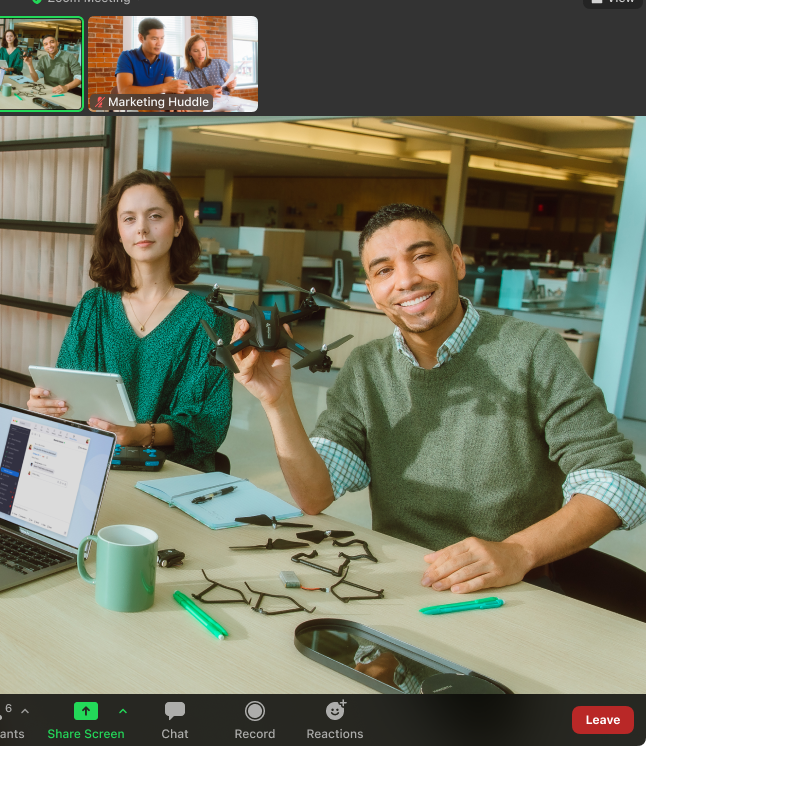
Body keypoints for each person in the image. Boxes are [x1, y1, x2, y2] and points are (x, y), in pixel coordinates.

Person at [231, 203, 650, 594]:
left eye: (422, 256)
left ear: (457, 260)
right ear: (373, 291)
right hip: (404, 580)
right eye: (384, 270)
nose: (407, 279)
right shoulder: (366, 368)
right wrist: (277, 400)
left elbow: (615, 480)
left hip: (512, 585)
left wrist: (519, 551)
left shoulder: (533, 351)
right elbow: (315, 495)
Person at [27, 170, 232, 472]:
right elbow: (71, 396)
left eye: (155, 216)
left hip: (173, 474)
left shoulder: (209, 318)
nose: (142, 229)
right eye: (129, 219)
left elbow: (208, 422)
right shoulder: (93, 306)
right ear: (118, 232)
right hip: (97, 466)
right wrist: (49, 404)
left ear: (177, 225)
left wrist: (140, 435)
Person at [115, 17, 185, 95]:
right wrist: (165, 87)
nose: (159, 43)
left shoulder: (167, 59)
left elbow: (170, 91)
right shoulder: (127, 57)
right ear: (141, 38)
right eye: (154, 39)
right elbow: (124, 91)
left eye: (162, 38)